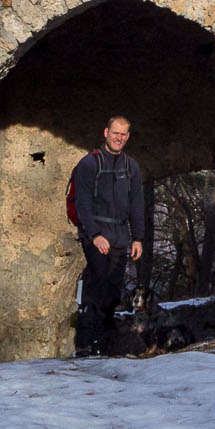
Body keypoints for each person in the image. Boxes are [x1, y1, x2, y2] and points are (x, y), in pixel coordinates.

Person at [71, 115, 145, 356]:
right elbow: (82, 204)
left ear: (128, 136)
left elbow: (136, 203)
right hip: (96, 235)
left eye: (123, 134)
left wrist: (138, 237)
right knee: (95, 287)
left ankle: (102, 344)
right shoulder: (89, 164)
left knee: (112, 292)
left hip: (120, 237)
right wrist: (94, 235)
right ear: (106, 133)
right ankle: (84, 344)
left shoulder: (131, 166)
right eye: (115, 133)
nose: (119, 137)